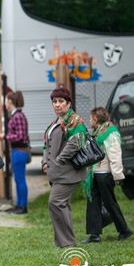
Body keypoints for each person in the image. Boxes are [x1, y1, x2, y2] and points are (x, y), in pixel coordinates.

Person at [42, 87, 88, 248]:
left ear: (68, 104)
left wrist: (59, 160)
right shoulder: (55, 122)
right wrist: (45, 162)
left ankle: (67, 243)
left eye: (61, 101)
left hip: (69, 173)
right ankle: (64, 242)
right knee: (62, 205)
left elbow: (78, 140)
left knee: (55, 202)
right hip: (57, 172)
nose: (57, 105)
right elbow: (46, 144)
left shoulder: (75, 120)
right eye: (54, 101)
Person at [82, 107, 132, 243]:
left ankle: (124, 230)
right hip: (94, 174)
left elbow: (115, 155)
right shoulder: (98, 132)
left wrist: (117, 175)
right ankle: (94, 234)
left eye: (91, 118)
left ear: (96, 119)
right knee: (92, 202)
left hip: (105, 174)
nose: (89, 121)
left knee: (110, 203)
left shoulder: (111, 132)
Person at [0, 91, 30, 214]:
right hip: (16, 151)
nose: (5, 103)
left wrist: (6, 136)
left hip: (20, 151)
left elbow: (20, 135)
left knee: (20, 179)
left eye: (6, 101)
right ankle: (19, 205)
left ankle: (23, 206)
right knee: (18, 179)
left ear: (10, 102)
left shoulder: (18, 116)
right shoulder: (15, 115)